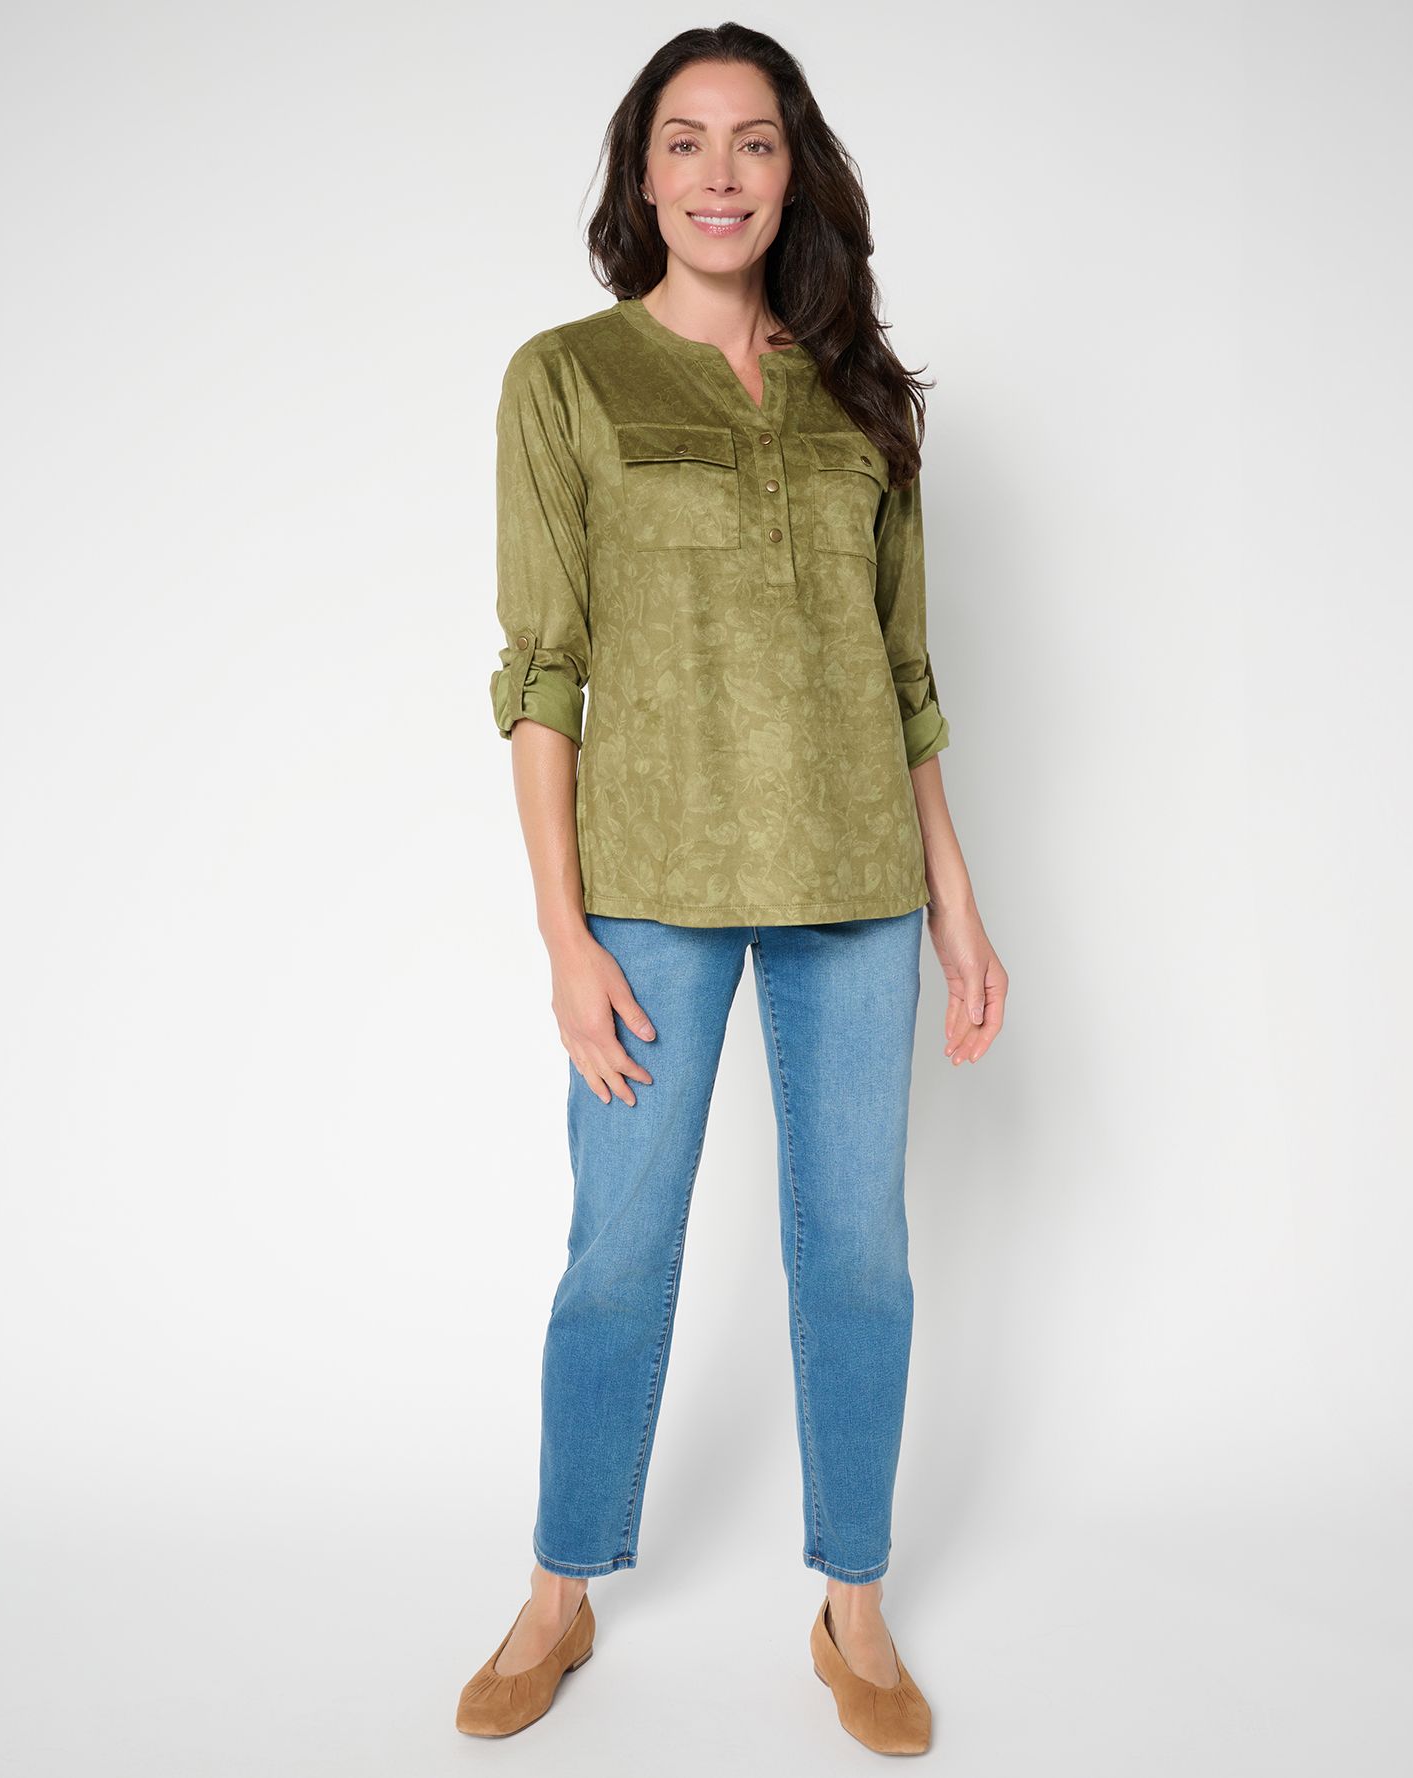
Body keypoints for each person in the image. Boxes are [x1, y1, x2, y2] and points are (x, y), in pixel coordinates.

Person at [456, 24, 1007, 1755]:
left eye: (752, 142)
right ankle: (560, 1587)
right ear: (642, 175)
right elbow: (542, 672)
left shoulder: (862, 396)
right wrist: (562, 932)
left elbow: (904, 674)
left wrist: (954, 897)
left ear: (793, 171)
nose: (718, 173)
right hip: (650, 881)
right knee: (619, 1245)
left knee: (861, 1249)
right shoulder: (565, 380)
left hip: (855, 876)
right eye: (685, 141)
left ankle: (855, 1602)